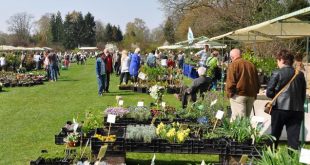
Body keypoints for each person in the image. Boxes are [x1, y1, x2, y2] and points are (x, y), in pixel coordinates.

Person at [266, 49, 306, 150]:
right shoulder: (300, 74)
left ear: (282, 60)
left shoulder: (277, 73)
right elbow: (302, 94)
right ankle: (292, 160)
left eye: (277, 60)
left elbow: (269, 92)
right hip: (297, 110)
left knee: (274, 136)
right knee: (293, 140)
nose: (277, 62)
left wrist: (276, 95)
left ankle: (270, 159)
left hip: (279, 109)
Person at [225, 48, 260, 121]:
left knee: (239, 121)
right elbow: (257, 81)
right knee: (245, 120)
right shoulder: (251, 65)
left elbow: (230, 82)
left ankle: (236, 133)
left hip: (239, 95)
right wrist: (255, 93)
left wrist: (229, 94)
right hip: (251, 95)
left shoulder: (233, 64)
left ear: (232, 57)